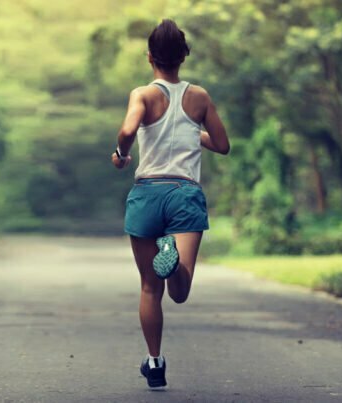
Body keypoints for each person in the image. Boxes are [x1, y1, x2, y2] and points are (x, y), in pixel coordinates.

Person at [111, 18, 230, 389]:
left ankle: (155, 362)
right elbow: (223, 145)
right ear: (185, 55)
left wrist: (120, 153)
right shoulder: (200, 97)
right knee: (179, 292)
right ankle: (173, 259)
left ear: (150, 57)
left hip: (147, 193)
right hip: (184, 194)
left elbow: (129, 130)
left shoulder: (142, 95)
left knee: (149, 287)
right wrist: (195, 132)